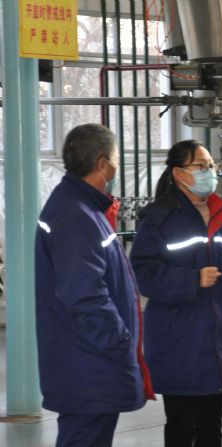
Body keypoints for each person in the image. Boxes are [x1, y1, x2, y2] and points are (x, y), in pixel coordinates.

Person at [130, 140, 222, 447]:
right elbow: (144, 274)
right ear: (178, 173)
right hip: (179, 340)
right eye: (201, 166)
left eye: (211, 166)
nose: (209, 172)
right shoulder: (158, 219)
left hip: (218, 337)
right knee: (182, 426)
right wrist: (192, 280)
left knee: (212, 426)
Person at [35, 123, 155, 447]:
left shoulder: (82, 208)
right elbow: (83, 295)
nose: (116, 167)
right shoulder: (76, 216)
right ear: (103, 164)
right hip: (88, 365)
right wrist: (120, 340)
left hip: (88, 362)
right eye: (115, 159)